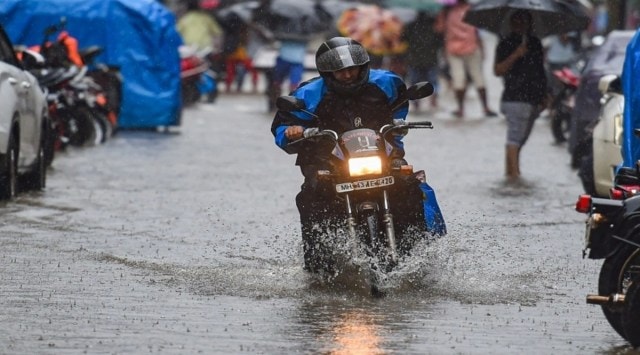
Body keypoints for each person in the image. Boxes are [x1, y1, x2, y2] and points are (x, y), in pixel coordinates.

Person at [270, 37, 435, 271]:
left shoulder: (387, 82)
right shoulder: (308, 93)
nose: (347, 75)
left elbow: (400, 105)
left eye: (352, 69)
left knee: (409, 187)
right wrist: (292, 132)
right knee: (311, 198)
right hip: (327, 158)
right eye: (340, 72)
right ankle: (319, 269)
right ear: (328, 73)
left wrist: (395, 130)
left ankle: (417, 254)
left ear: (363, 66)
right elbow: (281, 126)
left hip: (379, 153)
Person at [494, 10, 547, 180]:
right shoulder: (505, 44)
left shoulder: (535, 43)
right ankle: (515, 178)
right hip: (514, 98)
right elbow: (498, 70)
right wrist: (515, 55)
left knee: (520, 139)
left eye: (524, 21)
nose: (520, 24)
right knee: (515, 138)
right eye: (517, 21)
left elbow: (540, 70)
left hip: (533, 99)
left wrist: (545, 95)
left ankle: (510, 172)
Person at [435, 0, 497, 118]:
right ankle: (485, 107)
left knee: (458, 78)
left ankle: (461, 109)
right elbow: (477, 29)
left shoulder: (447, 12)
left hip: (453, 48)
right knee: (478, 76)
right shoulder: (472, 9)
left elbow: (440, 29)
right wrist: (482, 47)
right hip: (471, 47)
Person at [402, 10, 444, 111]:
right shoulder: (433, 27)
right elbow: (440, 42)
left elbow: (403, 40)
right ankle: (433, 101)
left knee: (414, 82)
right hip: (431, 59)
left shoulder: (410, 26)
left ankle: (416, 103)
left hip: (414, 59)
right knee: (432, 81)